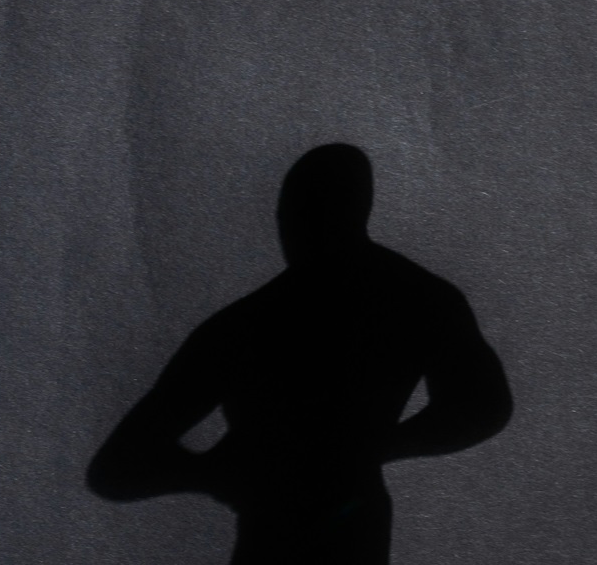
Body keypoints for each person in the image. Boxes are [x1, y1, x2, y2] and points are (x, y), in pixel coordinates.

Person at [88, 144, 512, 564]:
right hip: (347, 523)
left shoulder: (244, 325)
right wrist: (369, 449)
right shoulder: (418, 298)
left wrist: (214, 473)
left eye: (300, 214)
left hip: (285, 530)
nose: (294, 230)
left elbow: (116, 469)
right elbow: (484, 406)